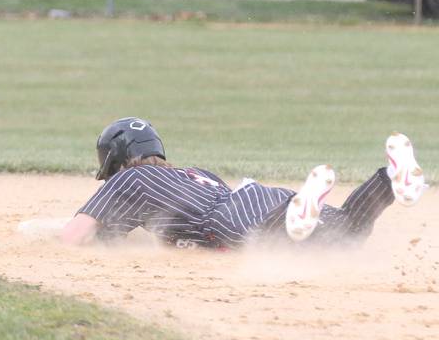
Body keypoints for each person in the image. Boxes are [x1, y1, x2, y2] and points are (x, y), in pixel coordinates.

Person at [61, 117, 427, 249]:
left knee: (266, 239)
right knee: (348, 233)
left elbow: (75, 237)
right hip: (259, 196)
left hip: (229, 219)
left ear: (116, 160)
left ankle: (297, 213)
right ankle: (390, 179)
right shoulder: (197, 173)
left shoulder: (128, 180)